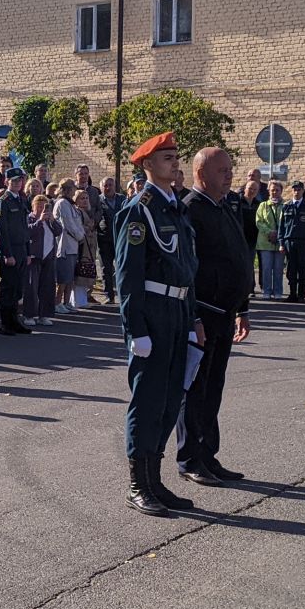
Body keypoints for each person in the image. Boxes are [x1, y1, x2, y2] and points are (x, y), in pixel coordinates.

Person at [117, 133, 199, 516]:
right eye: (167, 157)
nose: (174, 162)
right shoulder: (140, 210)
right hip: (152, 313)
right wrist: (136, 330)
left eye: (176, 157)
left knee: (169, 402)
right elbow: (127, 276)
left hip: (178, 311)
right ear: (147, 165)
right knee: (147, 402)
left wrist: (194, 315)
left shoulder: (174, 208)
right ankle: (137, 484)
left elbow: (186, 271)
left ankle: (155, 481)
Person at [177, 147, 253, 489]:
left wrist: (243, 309)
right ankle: (190, 458)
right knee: (196, 389)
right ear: (200, 174)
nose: (229, 175)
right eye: (221, 170)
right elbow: (186, 271)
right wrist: (193, 318)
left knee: (214, 388)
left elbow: (238, 258)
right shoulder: (190, 210)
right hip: (203, 316)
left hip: (225, 314)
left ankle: (208, 454)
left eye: (229, 169)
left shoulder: (224, 207)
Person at [0, 166, 32, 335]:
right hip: (10, 251)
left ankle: (15, 320)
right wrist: (8, 254)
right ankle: (5, 323)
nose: (17, 183)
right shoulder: (3, 202)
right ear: (7, 182)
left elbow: (25, 228)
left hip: (22, 249)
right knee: (8, 288)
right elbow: (1, 231)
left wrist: (28, 251)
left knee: (18, 288)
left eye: (19, 180)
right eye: (14, 181)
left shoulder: (21, 200)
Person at [24, 193, 62, 327]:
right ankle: (29, 315)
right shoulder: (30, 218)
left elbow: (59, 231)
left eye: (44, 207)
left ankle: (44, 315)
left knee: (47, 287)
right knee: (31, 288)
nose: (41, 209)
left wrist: (52, 220)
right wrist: (39, 221)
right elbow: (28, 232)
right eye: (38, 206)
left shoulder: (49, 220)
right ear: (33, 206)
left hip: (49, 257)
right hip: (34, 257)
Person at [52, 178, 86, 313]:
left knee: (70, 277)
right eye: (72, 187)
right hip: (65, 246)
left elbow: (78, 222)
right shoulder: (62, 203)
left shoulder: (70, 204)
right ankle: (57, 303)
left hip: (73, 246)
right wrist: (80, 236)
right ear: (67, 189)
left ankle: (67, 302)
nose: (74, 190)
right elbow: (68, 225)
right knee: (63, 278)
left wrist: (81, 234)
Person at [279, 181, 305, 301]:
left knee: (302, 269)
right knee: (291, 269)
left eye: (299, 189)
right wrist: (281, 243)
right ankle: (292, 294)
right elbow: (282, 226)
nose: (296, 191)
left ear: (303, 191)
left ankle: (301, 294)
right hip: (289, 241)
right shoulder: (286, 205)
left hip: (303, 242)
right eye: (294, 189)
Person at [253, 180, 285, 300]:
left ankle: (278, 291)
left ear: (281, 191)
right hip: (265, 242)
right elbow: (259, 221)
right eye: (272, 190)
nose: (275, 192)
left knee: (278, 269)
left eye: (277, 190)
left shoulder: (285, 206)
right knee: (266, 268)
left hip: (280, 242)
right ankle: (266, 290)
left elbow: (286, 223)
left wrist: (279, 234)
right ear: (269, 191)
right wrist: (269, 232)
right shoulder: (263, 205)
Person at [97, 175, 125, 301]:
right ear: (101, 187)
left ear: (115, 186)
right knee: (106, 269)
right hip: (104, 240)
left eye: (110, 185)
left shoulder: (122, 199)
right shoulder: (97, 200)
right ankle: (109, 295)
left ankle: (122, 293)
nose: (108, 188)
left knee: (121, 267)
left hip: (120, 239)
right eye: (105, 185)